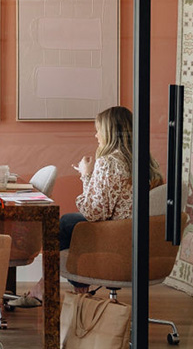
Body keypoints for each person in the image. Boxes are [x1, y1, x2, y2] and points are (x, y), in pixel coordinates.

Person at [59, 105, 164, 261]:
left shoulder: (108, 162)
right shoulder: (146, 161)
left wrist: (86, 175)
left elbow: (94, 213)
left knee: (66, 222)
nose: (96, 135)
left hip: (115, 233)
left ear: (110, 133)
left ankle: (74, 281)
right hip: (135, 232)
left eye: (98, 130)